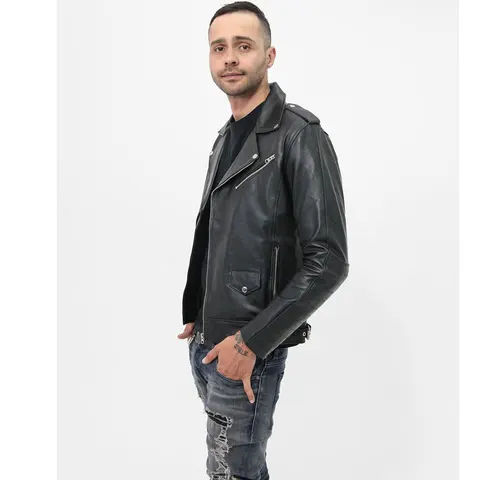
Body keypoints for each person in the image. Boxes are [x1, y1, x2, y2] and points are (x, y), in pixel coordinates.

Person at [177, 2, 349, 478]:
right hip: (209, 342)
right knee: (230, 469)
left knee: (233, 472)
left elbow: (329, 260)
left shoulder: (299, 135)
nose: (230, 57)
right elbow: (222, 232)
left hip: (247, 345)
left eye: (243, 46)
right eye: (219, 48)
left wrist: (250, 342)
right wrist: (197, 308)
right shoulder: (225, 137)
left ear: (269, 56)